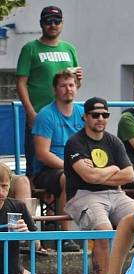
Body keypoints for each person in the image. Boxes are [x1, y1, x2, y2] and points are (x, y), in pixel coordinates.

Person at [63, 97, 134, 274]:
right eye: (95, 115)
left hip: (115, 194)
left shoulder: (113, 141)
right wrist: (114, 169)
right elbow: (89, 179)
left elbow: (130, 175)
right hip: (83, 194)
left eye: (105, 115)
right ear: (85, 117)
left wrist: (101, 173)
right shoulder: (75, 142)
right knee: (103, 231)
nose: (100, 119)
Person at [16, 5, 82, 177]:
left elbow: (74, 84)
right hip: (40, 115)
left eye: (57, 21)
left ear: (62, 23)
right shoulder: (30, 48)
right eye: (48, 21)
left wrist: (79, 80)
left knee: (72, 155)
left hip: (65, 118)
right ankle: (30, 200)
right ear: (41, 24)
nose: (53, 25)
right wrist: (30, 113)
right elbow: (21, 83)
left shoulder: (69, 49)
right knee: (34, 166)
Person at [31, 68, 83, 251]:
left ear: (76, 87)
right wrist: (72, 167)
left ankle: (115, 231)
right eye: (63, 85)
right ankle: (65, 237)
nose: (68, 89)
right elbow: (42, 154)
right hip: (47, 171)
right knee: (67, 178)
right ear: (55, 89)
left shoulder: (84, 113)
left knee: (110, 175)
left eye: (71, 85)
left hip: (79, 165)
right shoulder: (46, 115)